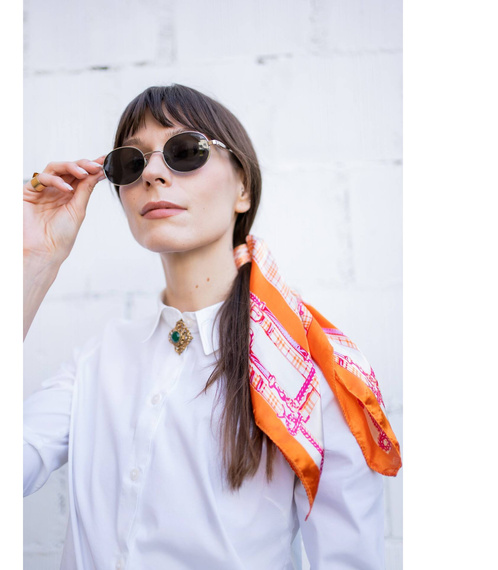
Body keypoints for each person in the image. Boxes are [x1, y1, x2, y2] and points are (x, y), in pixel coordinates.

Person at [23, 84, 401, 570]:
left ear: (243, 188)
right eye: (131, 163)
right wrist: (34, 262)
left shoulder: (313, 370)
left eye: (185, 151)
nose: (152, 174)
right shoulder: (98, 361)